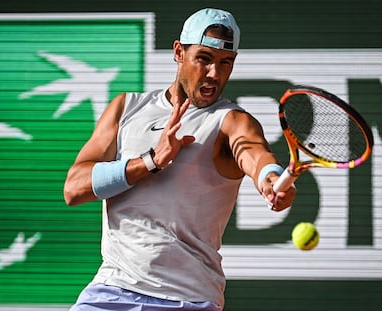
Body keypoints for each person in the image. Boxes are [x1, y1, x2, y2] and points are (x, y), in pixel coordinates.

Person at [64, 8, 296, 311]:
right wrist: (151, 161)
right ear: (178, 52)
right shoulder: (126, 108)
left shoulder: (231, 121)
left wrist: (270, 178)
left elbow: (253, 151)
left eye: (226, 63)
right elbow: (74, 189)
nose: (215, 73)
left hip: (188, 299)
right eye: (204, 59)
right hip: (113, 290)